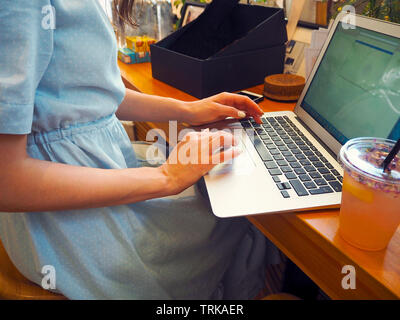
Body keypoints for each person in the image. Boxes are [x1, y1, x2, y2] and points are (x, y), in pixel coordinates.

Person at [0, 0, 280, 299]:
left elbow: (97, 96)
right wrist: (167, 177)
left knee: (229, 184)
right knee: (238, 208)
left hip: (97, 172)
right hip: (67, 224)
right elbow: (7, 181)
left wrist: (188, 110)